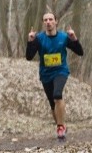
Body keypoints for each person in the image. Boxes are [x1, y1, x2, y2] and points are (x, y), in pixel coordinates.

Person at [26, 12, 84, 141]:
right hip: (45, 74)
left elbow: (80, 52)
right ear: (43, 23)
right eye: (45, 20)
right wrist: (30, 42)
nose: (48, 22)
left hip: (60, 71)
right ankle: (62, 125)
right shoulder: (39, 38)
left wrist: (74, 39)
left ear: (56, 22)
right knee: (53, 104)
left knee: (57, 95)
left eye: (51, 19)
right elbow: (29, 57)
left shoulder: (64, 37)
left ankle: (60, 128)